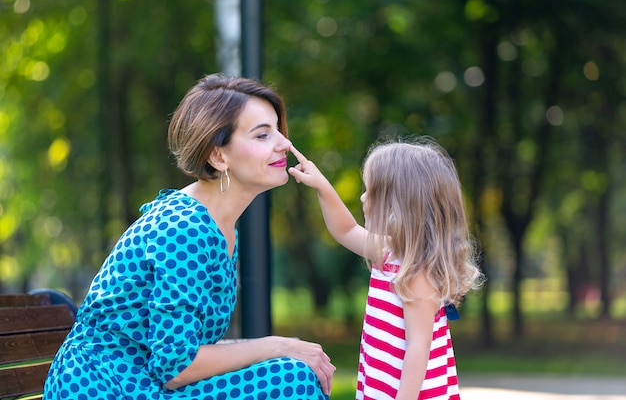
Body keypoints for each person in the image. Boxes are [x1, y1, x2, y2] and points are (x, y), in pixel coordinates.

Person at [44, 74, 335, 400]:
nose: (283, 143)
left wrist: (280, 348)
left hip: (142, 378)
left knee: (290, 369)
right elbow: (176, 365)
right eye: (263, 135)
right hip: (107, 386)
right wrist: (279, 345)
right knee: (291, 378)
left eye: (278, 131)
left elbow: (183, 350)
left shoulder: (216, 224)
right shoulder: (185, 228)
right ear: (218, 156)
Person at [288, 137, 484, 400]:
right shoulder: (390, 253)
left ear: (398, 206)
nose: (362, 197)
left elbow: (418, 347)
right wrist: (321, 185)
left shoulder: (417, 272)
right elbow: (345, 230)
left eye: (371, 190)